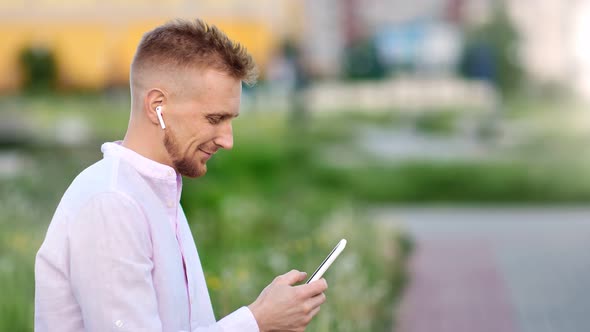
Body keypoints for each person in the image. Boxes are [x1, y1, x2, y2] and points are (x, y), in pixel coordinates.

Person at [34, 19, 328, 332]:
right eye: (214, 118)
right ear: (157, 106)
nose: (228, 140)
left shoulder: (158, 192)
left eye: (230, 120)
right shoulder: (112, 203)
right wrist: (256, 321)